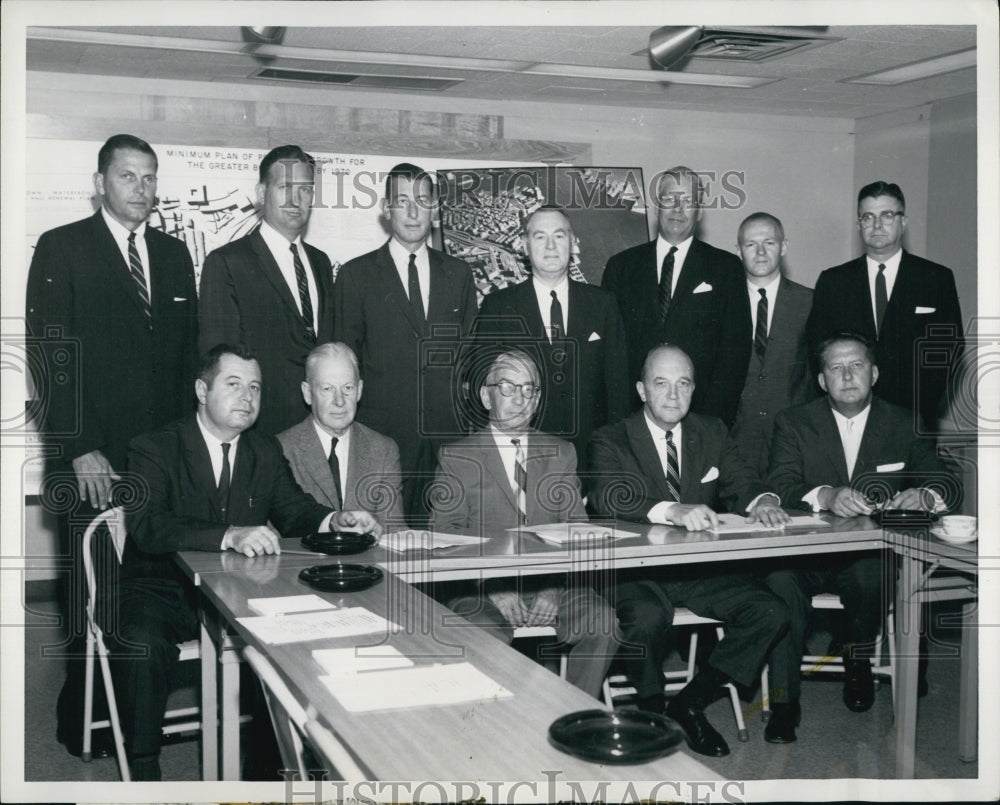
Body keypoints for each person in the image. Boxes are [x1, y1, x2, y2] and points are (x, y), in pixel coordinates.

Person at [114, 344, 381, 779]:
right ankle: (143, 767)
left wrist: (337, 518)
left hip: (240, 595)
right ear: (202, 389)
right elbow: (148, 525)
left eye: (255, 387)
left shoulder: (263, 451)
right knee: (141, 641)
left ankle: (272, 772)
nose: (247, 397)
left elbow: (295, 509)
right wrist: (229, 535)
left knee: (303, 635)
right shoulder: (154, 447)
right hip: (163, 590)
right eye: (233, 384)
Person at [25, 133, 199, 759]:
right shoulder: (62, 247)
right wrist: (80, 446)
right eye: (129, 177)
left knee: (146, 599)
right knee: (89, 599)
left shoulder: (176, 256)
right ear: (101, 182)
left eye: (150, 178)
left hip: (158, 463)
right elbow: (49, 359)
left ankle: (138, 721)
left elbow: (185, 367)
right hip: (89, 462)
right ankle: (82, 724)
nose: (142, 190)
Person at [589, 344, 789, 757]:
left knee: (770, 612)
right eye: (661, 383)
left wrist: (763, 500)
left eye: (683, 384)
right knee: (646, 617)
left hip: (698, 569)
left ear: (694, 389)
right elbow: (610, 496)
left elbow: (741, 482)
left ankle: (691, 702)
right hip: (636, 571)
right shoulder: (611, 437)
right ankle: (651, 708)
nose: (673, 395)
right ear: (642, 390)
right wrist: (672, 509)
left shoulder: (712, 430)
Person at [757, 332, 951, 742]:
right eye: (835, 368)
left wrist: (926, 494)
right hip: (805, 556)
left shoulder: (903, 422)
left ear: (874, 373)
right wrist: (825, 494)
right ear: (822, 381)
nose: (847, 376)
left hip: (867, 558)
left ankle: (858, 662)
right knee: (778, 583)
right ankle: (783, 702)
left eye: (857, 365)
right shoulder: (794, 422)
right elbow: (782, 483)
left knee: (871, 576)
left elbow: (946, 481)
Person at [430, 350, 618, 699]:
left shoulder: (561, 452)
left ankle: (573, 715)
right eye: (508, 387)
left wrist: (553, 588)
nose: (519, 399)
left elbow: (577, 530)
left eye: (529, 389)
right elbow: (446, 538)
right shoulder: (457, 456)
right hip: (480, 588)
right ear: (486, 396)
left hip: (555, 583)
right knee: (481, 634)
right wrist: (491, 587)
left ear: (538, 398)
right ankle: (500, 732)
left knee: (603, 623)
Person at [333, 163, 478, 523]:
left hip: (448, 439)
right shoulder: (356, 275)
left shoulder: (459, 274)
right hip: (382, 440)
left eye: (422, 200)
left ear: (434, 208)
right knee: (385, 547)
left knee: (449, 548)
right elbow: (342, 362)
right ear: (386, 210)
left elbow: (471, 357)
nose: (413, 212)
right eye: (402, 201)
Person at [473, 206, 629, 463]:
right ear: (524, 245)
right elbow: (486, 392)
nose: (550, 246)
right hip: (523, 456)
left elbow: (618, 388)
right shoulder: (498, 306)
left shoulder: (603, 304)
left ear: (573, 242)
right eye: (540, 236)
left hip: (593, 456)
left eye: (559, 236)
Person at [199, 144, 336, 435]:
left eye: (305, 189)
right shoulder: (227, 262)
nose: (295, 199)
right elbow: (221, 359)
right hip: (260, 430)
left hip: (318, 429)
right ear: (262, 194)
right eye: (285, 187)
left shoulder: (321, 262)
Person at [806, 181, 964, 432]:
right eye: (868, 217)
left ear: (903, 222)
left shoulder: (935, 278)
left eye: (887, 215)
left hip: (915, 416)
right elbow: (817, 349)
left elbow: (950, 350)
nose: (877, 225)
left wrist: (921, 406)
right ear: (859, 225)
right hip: (848, 417)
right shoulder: (833, 281)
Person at [602, 166, 747, 425]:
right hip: (632, 420)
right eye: (669, 199)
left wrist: (712, 425)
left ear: (700, 211)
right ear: (657, 207)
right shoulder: (621, 267)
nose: (677, 209)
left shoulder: (725, 268)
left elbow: (734, 354)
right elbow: (610, 352)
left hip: (700, 420)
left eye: (688, 201)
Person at [720, 212, 815, 513]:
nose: (760, 252)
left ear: (784, 247)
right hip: (736, 446)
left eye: (769, 242)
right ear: (738, 251)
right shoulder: (721, 303)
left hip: (793, 447)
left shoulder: (811, 302)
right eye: (750, 244)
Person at [277, 342, 405, 527]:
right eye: (327, 389)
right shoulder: (280, 450)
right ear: (308, 393)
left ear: (359, 390)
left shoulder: (383, 450)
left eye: (347, 388)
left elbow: (394, 532)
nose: (339, 401)